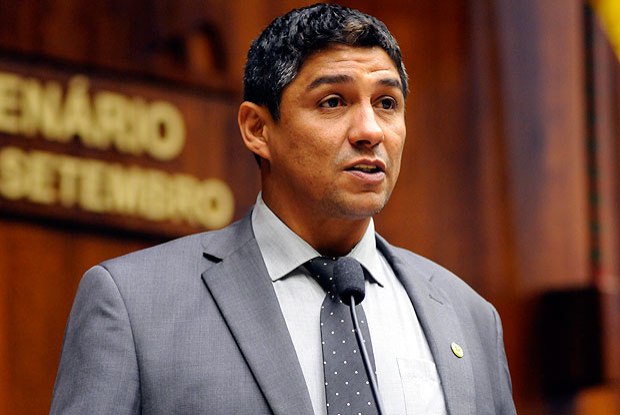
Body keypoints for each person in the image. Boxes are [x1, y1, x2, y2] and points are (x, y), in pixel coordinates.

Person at [51, 3, 516, 414]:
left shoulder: (470, 319)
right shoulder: (133, 305)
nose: (370, 131)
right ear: (257, 129)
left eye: (387, 103)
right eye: (333, 102)